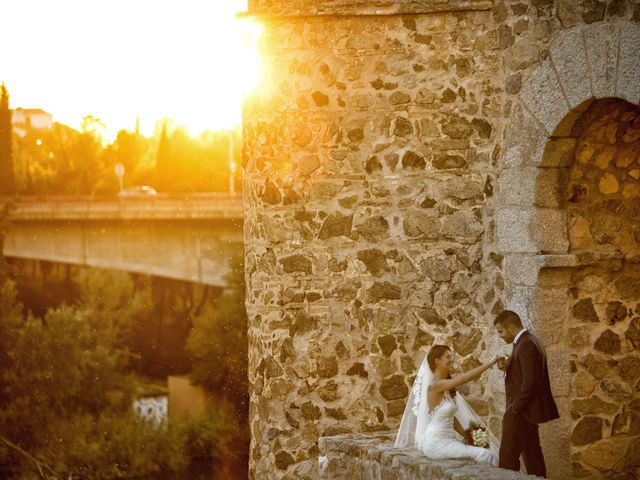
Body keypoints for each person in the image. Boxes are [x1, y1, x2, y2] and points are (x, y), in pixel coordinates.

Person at [395, 344, 499, 466]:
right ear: (437, 361)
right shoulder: (435, 385)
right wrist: (491, 362)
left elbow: (450, 418)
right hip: (436, 442)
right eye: (448, 357)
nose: (452, 359)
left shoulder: (446, 388)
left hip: (449, 440)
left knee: (484, 451)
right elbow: (465, 378)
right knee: (486, 454)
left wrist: (470, 435)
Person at [494, 310, 559, 477]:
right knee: (532, 454)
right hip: (528, 411)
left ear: (510, 327)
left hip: (521, 411)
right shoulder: (528, 341)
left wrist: (514, 409)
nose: (500, 336)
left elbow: (530, 383)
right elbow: (525, 374)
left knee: (507, 456)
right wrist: (507, 367)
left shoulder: (526, 344)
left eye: (500, 331)